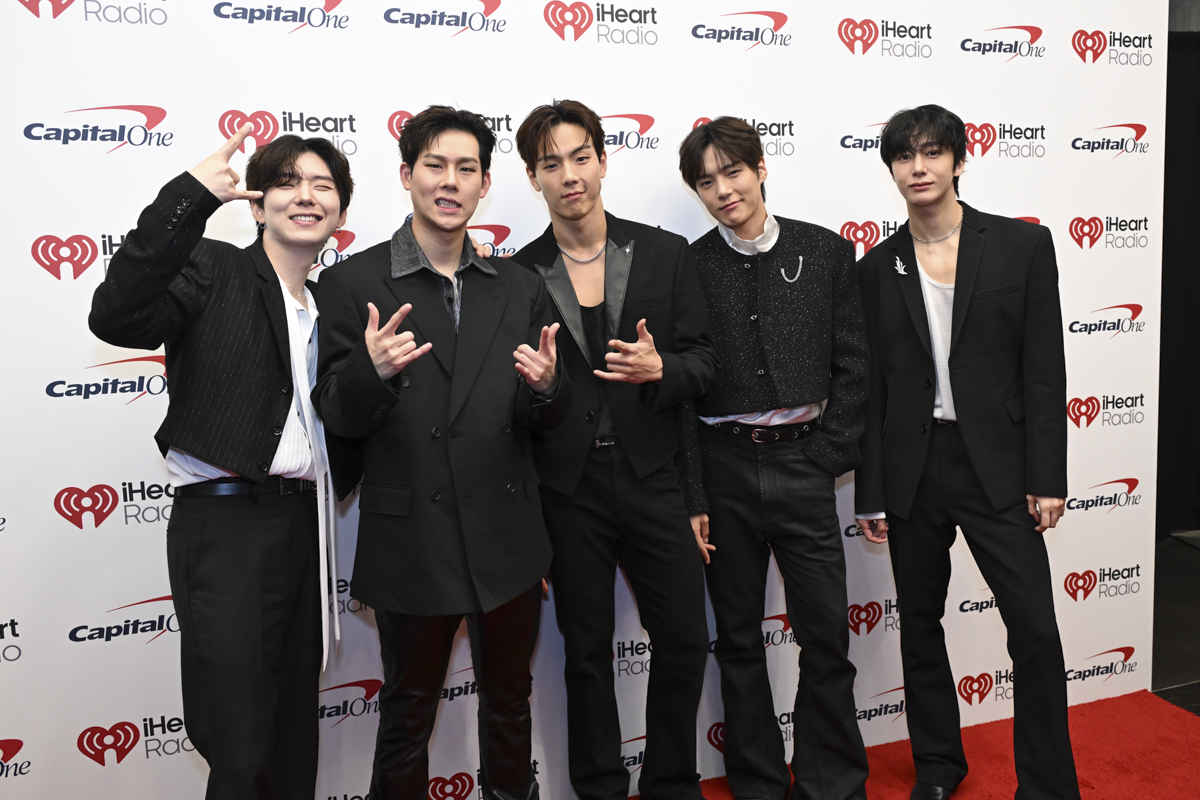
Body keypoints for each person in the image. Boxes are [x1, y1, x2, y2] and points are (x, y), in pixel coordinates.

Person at [312, 105, 568, 800]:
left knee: (510, 705)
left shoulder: (518, 285)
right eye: (435, 166)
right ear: (406, 175)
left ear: (486, 185)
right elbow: (336, 418)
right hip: (412, 537)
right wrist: (371, 370)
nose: (449, 182)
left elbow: (542, 414)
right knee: (407, 712)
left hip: (506, 537)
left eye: (466, 170)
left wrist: (547, 389)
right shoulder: (352, 284)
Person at [89, 126, 352, 799]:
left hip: (303, 531)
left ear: (341, 215)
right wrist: (189, 199)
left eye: (323, 185)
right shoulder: (213, 268)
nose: (307, 195)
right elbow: (117, 315)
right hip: (227, 530)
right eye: (289, 182)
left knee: (293, 743)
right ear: (258, 205)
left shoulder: (333, 309)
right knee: (239, 750)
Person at [855, 104, 1079, 800]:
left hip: (1000, 469)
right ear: (891, 168)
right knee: (919, 627)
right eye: (903, 156)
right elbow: (872, 391)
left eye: (931, 152)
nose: (917, 168)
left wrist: (1047, 476)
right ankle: (938, 769)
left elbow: (1044, 370)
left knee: (1035, 631)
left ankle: (1045, 784)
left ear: (958, 158)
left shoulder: (1020, 246)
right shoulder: (875, 268)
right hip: (913, 469)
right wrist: (871, 491)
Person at [510, 99, 717, 800]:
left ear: (602, 158)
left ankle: (670, 783)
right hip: (568, 491)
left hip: (654, 476)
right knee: (586, 652)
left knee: (686, 638)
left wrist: (664, 370)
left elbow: (705, 363)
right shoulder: (516, 275)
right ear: (533, 178)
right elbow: (509, 408)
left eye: (579, 157)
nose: (569, 175)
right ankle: (599, 786)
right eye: (550, 164)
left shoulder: (663, 252)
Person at [675, 116, 871, 800]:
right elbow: (681, 396)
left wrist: (826, 455)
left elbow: (855, 366)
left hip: (804, 466)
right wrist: (695, 494)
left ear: (761, 167)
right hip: (723, 467)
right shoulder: (689, 267)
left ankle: (832, 783)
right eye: (706, 181)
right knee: (736, 640)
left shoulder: (825, 253)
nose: (723, 190)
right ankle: (758, 782)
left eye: (732, 172)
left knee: (825, 640)